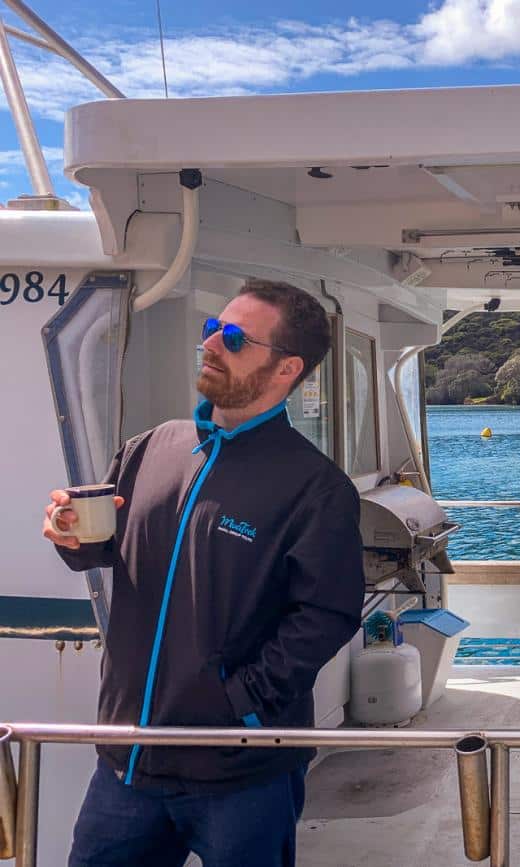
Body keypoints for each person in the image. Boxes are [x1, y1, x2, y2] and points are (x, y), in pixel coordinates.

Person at [42, 279, 365, 867]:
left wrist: (237, 702)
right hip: (128, 762)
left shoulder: (316, 487)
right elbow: (102, 549)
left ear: (288, 368)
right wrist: (69, 534)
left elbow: (326, 616)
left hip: (242, 772)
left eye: (235, 338)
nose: (213, 343)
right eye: (211, 327)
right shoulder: (149, 448)